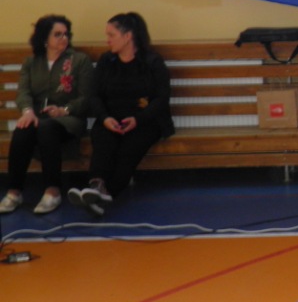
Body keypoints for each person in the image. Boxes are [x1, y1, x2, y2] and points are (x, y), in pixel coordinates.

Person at [67, 12, 174, 217]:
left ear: (128, 36)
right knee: (103, 140)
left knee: (129, 149)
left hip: (145, 121)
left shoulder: (152, 62)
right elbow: (94, 95)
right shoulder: (106, 61)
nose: (107, 40)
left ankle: (104, 193)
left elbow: (162, 99)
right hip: (111, 119)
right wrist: (105, 118)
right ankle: (96, 186)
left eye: (111, 35)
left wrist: (138, 119)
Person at [0, 15, 94, 215]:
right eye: (57, 34)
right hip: (39, 118)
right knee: (22, 129)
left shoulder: (79, 60)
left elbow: (86, 97)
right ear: (44, 38)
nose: (63, 38)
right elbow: (23, 92)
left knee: (47, 127)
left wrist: (63, 110)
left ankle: (53, 190)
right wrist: (27, 112)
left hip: (69, 119)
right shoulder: (32, 62)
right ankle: (14, 191)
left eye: (66, 34)